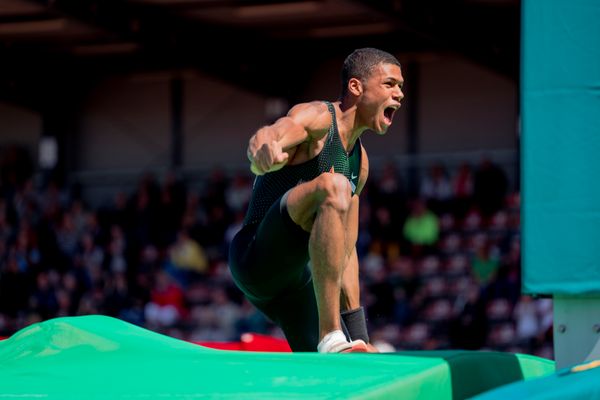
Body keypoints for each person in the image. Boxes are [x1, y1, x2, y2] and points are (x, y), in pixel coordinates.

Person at [229, 48, 404, 353]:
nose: (399, 94)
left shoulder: (360, 164)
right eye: (390, 84)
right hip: (256, 259)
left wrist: (360, 337)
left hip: (296, 286)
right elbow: (278, 132)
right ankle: (330, 332)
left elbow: (347, 252)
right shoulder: (319, 118)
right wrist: (265, 147)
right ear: (356, 87)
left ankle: (337, 340)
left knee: (333, 367)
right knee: (333, 186)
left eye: (401, 87)